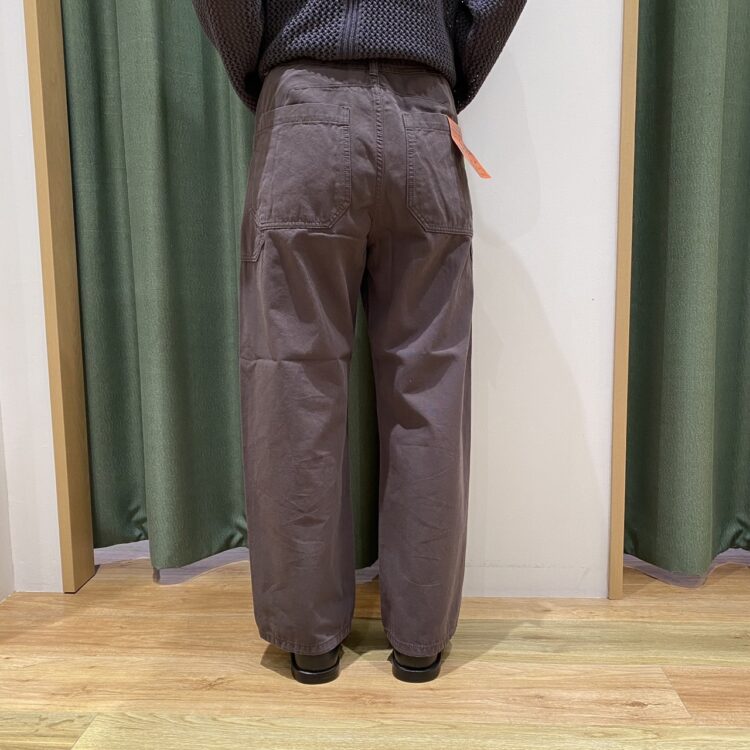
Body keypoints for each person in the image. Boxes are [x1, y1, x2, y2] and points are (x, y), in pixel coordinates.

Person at [191, 0, 527, 684]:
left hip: (303, 109)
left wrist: (266, 73)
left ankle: (310, 639)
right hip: (425, 119)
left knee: (293, 383)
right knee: (429, 389)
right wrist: (441, 71)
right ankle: (420, 639)